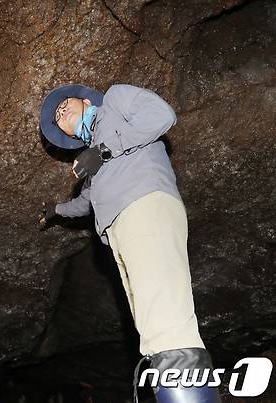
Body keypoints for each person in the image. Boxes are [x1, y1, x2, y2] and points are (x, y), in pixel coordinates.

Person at [38, 84, 220, 403]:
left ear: (84, 100)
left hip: (145, 206)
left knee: (167, 324)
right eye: (57, 116)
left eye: (64, 103)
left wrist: (104, 150)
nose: (61, 111)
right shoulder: (94, 157)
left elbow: (162, 115)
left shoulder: (114, 101)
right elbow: (87, 201)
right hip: (121, 230)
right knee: (152, 331)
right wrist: (56, 211)